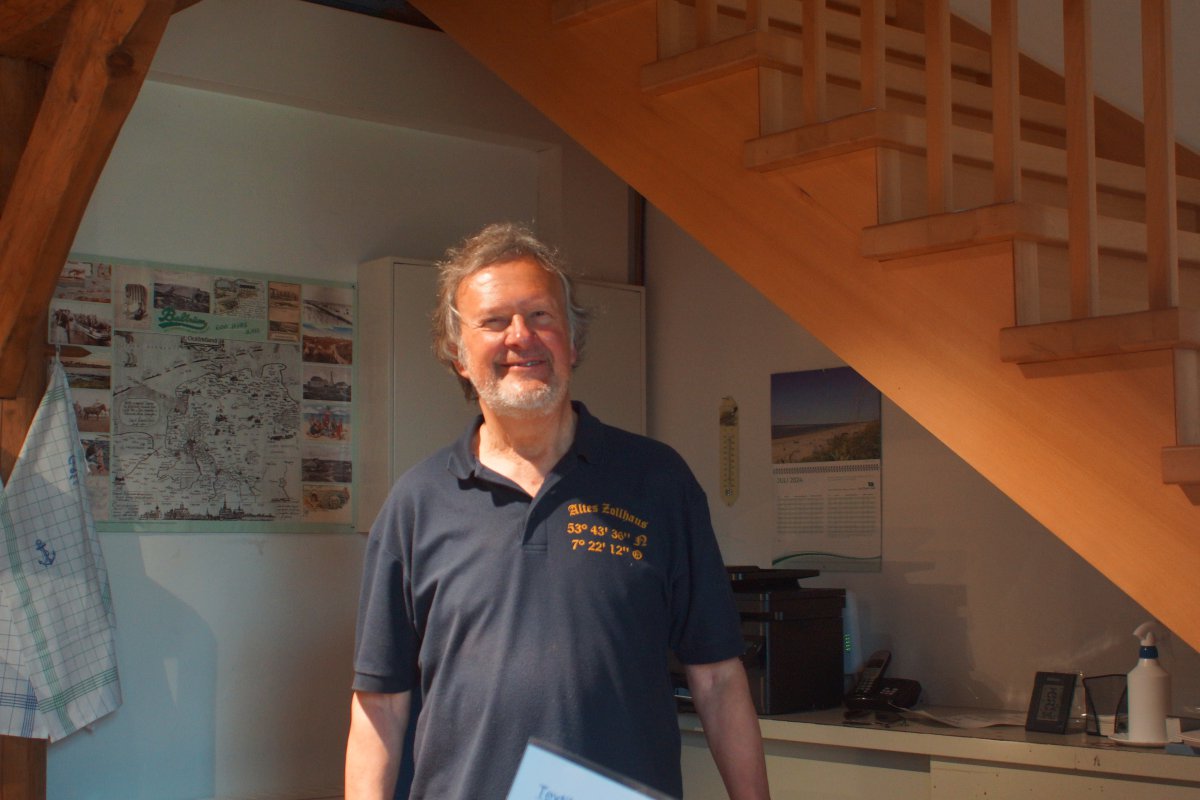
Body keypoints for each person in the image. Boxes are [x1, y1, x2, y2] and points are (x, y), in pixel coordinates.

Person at [345, 222, 771, 799]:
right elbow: (380, 704)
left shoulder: (657, 482)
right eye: (494, 321)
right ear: (458, 356)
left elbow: (718, 678)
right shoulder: (417, 504)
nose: (520, 336)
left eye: (540, 315)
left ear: (572, 342)